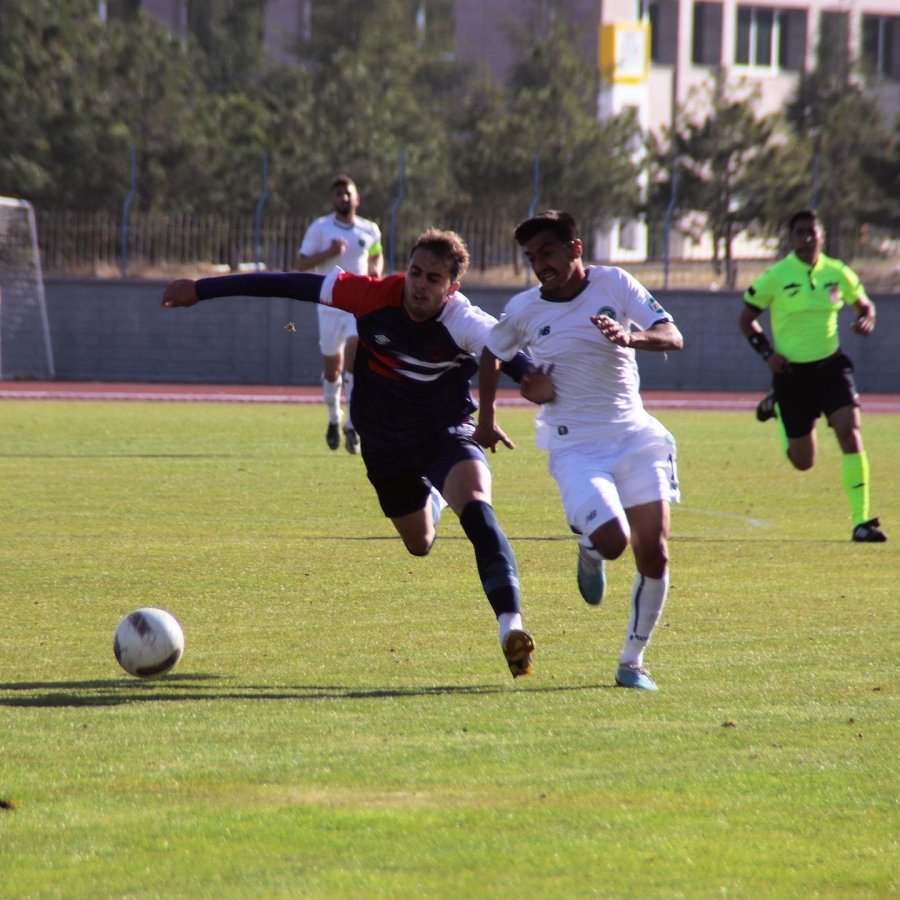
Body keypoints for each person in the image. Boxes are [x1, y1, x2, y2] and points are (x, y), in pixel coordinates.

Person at [162, 229, 536, 678]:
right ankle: (434, 500)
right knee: (419, 545)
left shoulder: (466, 322)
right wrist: (201, 289)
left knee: (477, 510)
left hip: (444, 433)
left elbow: (520, 366)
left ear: (451, 287)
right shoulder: (371, 295)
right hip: (383, 443)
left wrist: (542, 385)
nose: (419, 284)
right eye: (415, 272)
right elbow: (286, 284)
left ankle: (510, 627)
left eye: (433, 279)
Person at [475, 210, 683, 691]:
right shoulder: (526, 309)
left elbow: (672, 334)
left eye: (547, 252)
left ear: (575, 248)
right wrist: (493, 413)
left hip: (635, 436)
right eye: (531, 257)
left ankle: (632, 662)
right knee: (614, 541)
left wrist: (631, 337)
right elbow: (491, 353)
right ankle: (590, 549)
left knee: (654, 553)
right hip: (575, 446)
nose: (539, 265)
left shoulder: (615, 283)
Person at [739, 209, 886, 543]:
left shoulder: (838, 273)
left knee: (850, 432)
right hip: (792, 375)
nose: (807, 238)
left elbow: (865, 306)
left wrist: (867, 319)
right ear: (792, 239)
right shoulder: (777, 275)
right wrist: (767, 354)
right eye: (800, 233)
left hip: (831, 367)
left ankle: (862, 521)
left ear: (822, 236)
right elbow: (746, 318)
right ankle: (778, 408)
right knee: (803, 462)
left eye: (812, 232)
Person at [296, 175, 383, 454]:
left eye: (348, 194)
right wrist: (329, 252)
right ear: (333, 200)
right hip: (329, 304)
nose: (344, 198)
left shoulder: (369, 229)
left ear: (357, 198)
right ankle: (335, 418)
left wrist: (376, 269)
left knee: (356, 356)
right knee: (333, 368)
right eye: (338, 194)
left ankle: (353, 425)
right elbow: (301, 264)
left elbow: (376, 253)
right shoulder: (321, 228)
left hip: (357, 304)